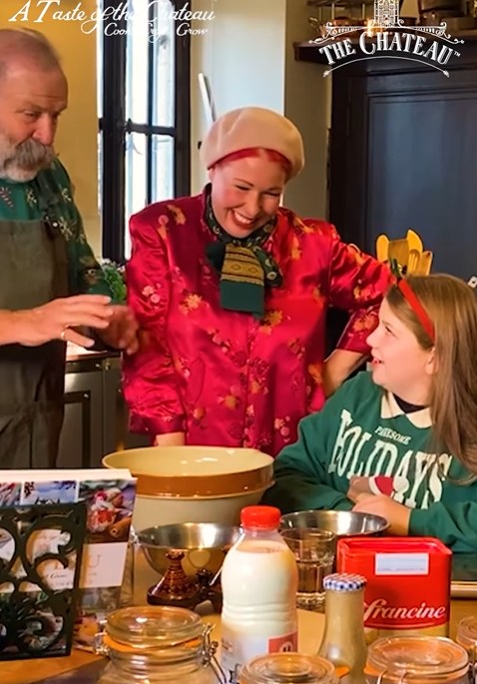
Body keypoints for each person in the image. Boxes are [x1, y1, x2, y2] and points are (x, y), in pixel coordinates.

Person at [123, 106, 392, 456]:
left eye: (271, 193)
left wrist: (333, 372)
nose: (252, 208)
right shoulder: (163, 232)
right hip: (189, 448)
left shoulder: (312, 243)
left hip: (293, 452)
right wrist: (171, 448)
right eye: (241, 187)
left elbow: (385, 292)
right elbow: (147, 344)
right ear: (213, 168)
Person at [0, 28, 139, 467]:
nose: (46, 134)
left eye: (56, 115)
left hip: (32, 423)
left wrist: (108, 317)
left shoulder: (48, 175)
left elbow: (85, 273)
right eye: (31, 114)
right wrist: (23, 322)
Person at [264, 273, 477, 553]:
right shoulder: (356, 396)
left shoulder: (468, 429)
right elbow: (286, 475)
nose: (371, 339)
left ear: (434, 358)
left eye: (389, 330)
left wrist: (411, 521)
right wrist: (349, 518)